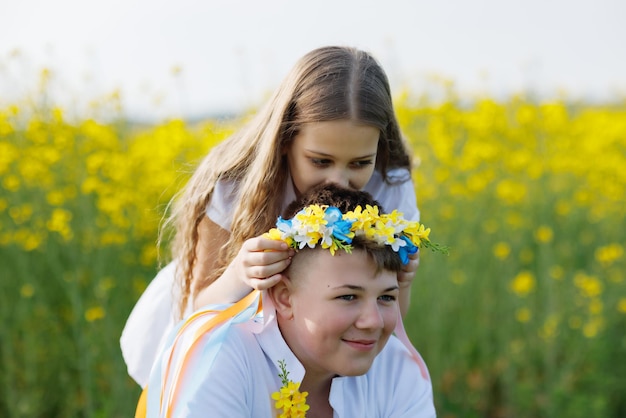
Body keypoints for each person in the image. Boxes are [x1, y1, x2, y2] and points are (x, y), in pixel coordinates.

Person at [121, 45, 422, 388]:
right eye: (320, 161)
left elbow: (389, 309)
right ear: (284, 141)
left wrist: (403, 282)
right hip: (224, 341)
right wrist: (240, 273)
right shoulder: (235, 184)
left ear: (379, 151)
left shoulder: (391, 183)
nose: (339, 182)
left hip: (325, 354)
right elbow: (199, 306)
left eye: (359, 163)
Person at [139, 184, 437, 417]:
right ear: (284, 298)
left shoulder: (396, 368)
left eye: (386, 297)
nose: (373, 321)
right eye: (348, 296)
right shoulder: (223, 360)